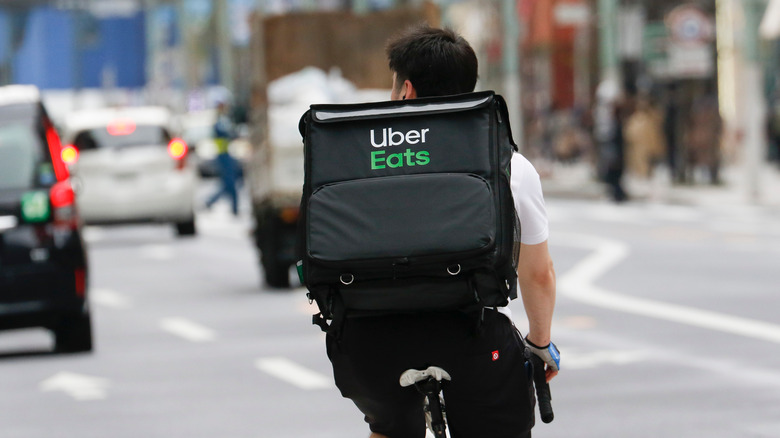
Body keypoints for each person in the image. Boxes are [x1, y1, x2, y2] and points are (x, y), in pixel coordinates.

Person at [322, 25, 559, 438]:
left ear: (407, 90)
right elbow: (537, 273)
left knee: (389, 427)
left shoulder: (353, 158)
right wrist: (540, 345)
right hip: (471, 339)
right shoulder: (506, 163)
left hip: (367, 346)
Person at [205, 101, 241, 215]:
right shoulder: (220, 121)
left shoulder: (223, 120)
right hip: (223, 155)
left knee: (228, 184)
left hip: (225, 154)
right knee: (229, 184)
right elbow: (227, 133)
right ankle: (232, 208)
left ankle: (232, 208)